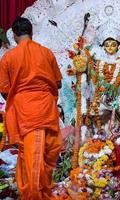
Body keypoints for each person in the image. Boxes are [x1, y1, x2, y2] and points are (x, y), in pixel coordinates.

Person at [0, 17, 62, 200]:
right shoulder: (46, 53)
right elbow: (57, 83)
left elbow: (4, 90)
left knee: (31, 156)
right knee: (47, 154)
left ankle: (33, 195)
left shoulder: (9, 57)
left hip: (25, 112)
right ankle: (39, 193)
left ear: (14, 35)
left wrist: (19, 96)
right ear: (31, 33)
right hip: (47, 109)